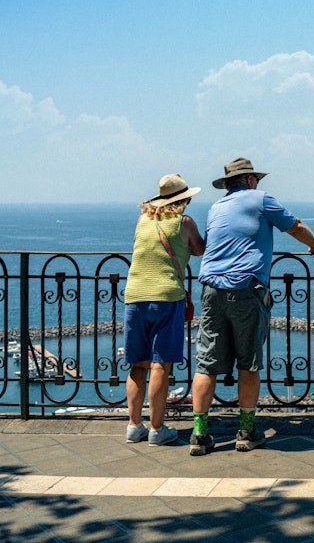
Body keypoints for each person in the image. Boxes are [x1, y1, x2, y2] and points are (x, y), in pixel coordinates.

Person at [189, 157, 314, 455]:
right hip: (245, 288)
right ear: (250, 180)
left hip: (210, 288)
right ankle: (246, 431)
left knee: (206, 363)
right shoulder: (261, 200)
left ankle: (200, 433)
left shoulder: (216, 208)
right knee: (248, 361)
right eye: (257, 180)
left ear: (229, 184)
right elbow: (296, 226)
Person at [124, 174, 205, 446]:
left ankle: (134, 426)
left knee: (138, 364)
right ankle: (157, 429)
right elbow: (199, 249)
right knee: (160, 363)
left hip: (134, 294)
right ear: (183, 200)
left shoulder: (143, 219)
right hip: (167, 297)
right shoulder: (185, 222)